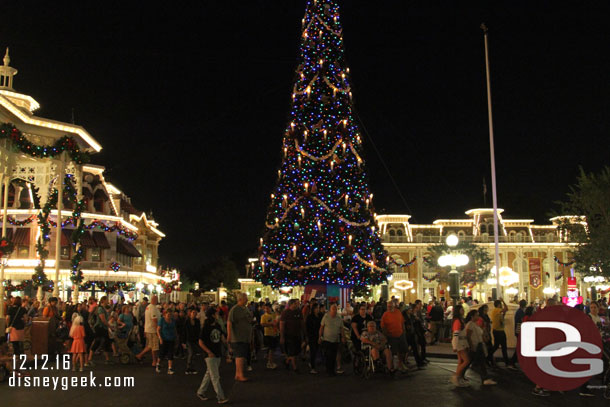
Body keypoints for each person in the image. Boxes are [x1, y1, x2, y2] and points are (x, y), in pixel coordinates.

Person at [197, 307, 228, 404]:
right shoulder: (206, 327)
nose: (218, 315)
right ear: (213, 315)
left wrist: (228, 346)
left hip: (217, 352)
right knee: (215, 376)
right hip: (210, 355)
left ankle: (201, 391)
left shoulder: (217, 325)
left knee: (209, 373)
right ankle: (220, 397)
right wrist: (208, 352)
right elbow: (200, 342)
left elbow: (222, 338)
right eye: (216, 313)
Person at [465, 310, 496, 385]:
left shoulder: (475, 324)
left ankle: (484, 378)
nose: (478, 317)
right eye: (477, 315)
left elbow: (480, 334)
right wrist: (471, 346)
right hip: (476, 346)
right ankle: (484, 378)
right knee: (476, 363)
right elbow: (468, 336)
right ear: (472, 316)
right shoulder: (470, 324)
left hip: (479, 345)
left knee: (474, 362)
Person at [227, 292, 252, 381]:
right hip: (238, 337)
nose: (247, 300)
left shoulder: (245, 308)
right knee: (240, 356)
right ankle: (240, 374)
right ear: (240, 299)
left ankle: (238, 374)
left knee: (241, 355)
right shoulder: (235, 309)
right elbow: (229, 322)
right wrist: (229, 336)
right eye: (245, 298)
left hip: (245, 337)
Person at [380, 300, 408, 372]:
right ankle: (392, 365)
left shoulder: (398, 312)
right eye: (388, 306)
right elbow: (383, 326)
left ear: (394, 306)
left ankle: (400, 363)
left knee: (402, 350)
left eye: (391, 306)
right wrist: (386, 334)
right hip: (391, 335)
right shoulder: (385, 315)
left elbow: (402, 322)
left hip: (400, 334)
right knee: (393, 351)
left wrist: (403, 330)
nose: (389, 308)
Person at [319, 303, 345, 376]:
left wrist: (343, 337)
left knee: (333, 355)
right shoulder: (326, 317)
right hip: (327, 339)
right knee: (328, 355)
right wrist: (320, 337)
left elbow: (342, 328)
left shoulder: (339, 318)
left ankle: (332, 370)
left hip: (335, 339)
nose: (334, 310)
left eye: (335, 309)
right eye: (333, 309)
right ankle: (328, 369)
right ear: (330, 309)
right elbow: (321, 327)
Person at [489, 299, 515, 369]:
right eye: (500, 304)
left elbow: (503, 315)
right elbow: (506, 308)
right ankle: (506, 362)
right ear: (498, 305)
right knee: (503, 347)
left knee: (497, 346)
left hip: (497, 330)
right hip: (499, 331)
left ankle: (489, 356)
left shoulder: (496, 312)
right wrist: (503, 300)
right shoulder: (497, 310)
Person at [136, 295, 161, 367]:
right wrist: (158, 329)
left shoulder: (148, 307)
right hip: (152, 330)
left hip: (148, 329)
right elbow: (154, 319)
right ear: (155, 300)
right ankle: (154, 361)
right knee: (154, 346)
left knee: (150, 345)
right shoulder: (152, 308)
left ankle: (139, 355)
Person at [280, 298, 304, 372]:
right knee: (292, 351)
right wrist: (282, 336)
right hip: (289, 335)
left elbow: (302, 322)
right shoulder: (285, 312)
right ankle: (295, 367)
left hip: (297, 334)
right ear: (291, 304)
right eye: (295, 303)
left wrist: (303, 332)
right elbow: (282, 324)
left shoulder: (299, 312)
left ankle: (287, 361)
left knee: (297, 351)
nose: (297, 305)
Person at [88, 296, 112, 364]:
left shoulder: (102, 308)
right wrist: (109, 326)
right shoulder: (100, 309)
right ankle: (89, 358)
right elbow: (103, 319)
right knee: (97, 341)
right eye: (107, 300)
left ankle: (107, 359)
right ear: (103, 301)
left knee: (106, 342)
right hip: (100, 327)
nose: (108, 301)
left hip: (103, 327)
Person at [451, 304, 470, 387]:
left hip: (462, 341)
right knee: (466, 360)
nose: (463, 311)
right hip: (459, 342)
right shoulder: (457, 321)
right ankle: (456, 376)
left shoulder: (460, 320)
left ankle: (458, 378)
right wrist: (455, 346)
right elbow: (456, 333)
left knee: (461, 361)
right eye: (461, 310)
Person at [157, 309, 177, 374]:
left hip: (171, 339)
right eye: (168, 314)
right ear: (165, 314)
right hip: (164, 339)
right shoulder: (162, 320)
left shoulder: (173, 321)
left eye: (170, 314)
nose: (169, 315)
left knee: (170, 353)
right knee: (162, 353)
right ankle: (158, 364)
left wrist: (176, 337)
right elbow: (158, 330)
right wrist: (160, 338)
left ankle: (170, 368)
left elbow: (174, 329)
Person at [260, 303, 279, 369]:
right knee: (271, 348)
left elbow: (277, 321)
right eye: (265, 308)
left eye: (267, 308)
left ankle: (270, 361)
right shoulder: (263, 316)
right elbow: (262, 324)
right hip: (268, 334)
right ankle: (270, 363)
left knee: (272, 349)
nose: (266, 309)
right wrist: (271, 324)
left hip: (275, 333)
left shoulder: (274, 314)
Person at [509, 299, 527, 367]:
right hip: (519, 331)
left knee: (520, 347)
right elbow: (522, 320)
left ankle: (516, 361)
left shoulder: (519, 311)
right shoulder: (520, 312)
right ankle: (513, 361)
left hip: (518, 330)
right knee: (520, 347)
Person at [184, 308, 201, 374]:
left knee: (194, 354)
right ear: (190, 313)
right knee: (191, 353)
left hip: (195, 339)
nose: (194, 314)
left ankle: (192, 368)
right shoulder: (187, 321)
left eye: (195, 313)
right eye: (193, 312)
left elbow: (198, 331)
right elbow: (184, 332)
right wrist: (183, 342)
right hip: (189, 340)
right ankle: (188, 367)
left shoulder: (197, 321)